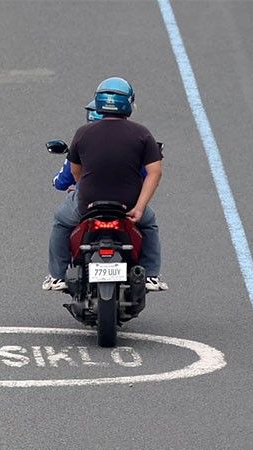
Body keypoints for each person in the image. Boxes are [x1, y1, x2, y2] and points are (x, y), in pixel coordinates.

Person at [43, 76, 169, 292]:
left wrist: (82, 188)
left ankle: (57, 276)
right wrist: (139, 207)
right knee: (149, 224)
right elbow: (154, 172)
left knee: (62, 222)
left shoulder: (83, 133)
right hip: (128, 203)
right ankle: (151, 275)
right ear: (128, 103)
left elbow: (74, 170)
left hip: (88, 203)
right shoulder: (142, 134)